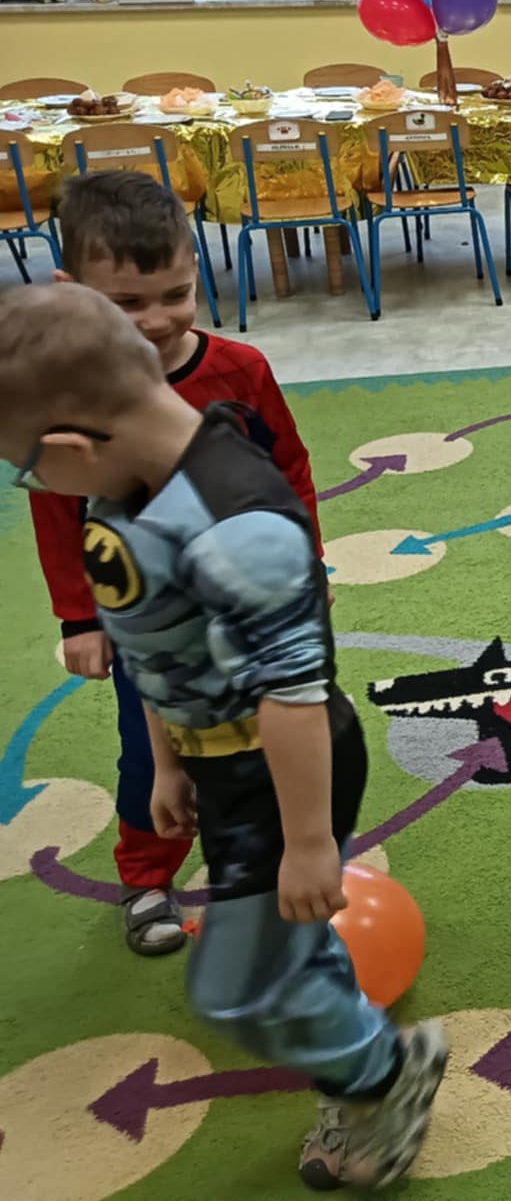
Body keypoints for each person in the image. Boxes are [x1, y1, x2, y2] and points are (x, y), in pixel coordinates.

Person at [0, 284, 447, 1189]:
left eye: (29, 472)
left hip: (281, 771)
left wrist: (310, 842)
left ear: (71, 446)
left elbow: (295, 694)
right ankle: (357, 1056)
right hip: (219, 759)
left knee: (233, 989)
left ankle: (385, 1074)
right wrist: (167, 762)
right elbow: (151, 644)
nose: (38, 488)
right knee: (291, 953)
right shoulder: (127, 490)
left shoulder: (239, 528)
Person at [27, 170, 321, 956]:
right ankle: (147, 876)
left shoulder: (241, 371)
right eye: (126, 303)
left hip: (252, 605)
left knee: (277, 737)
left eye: (176, 295)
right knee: (152, 755)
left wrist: (307, 568)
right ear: (72, 294)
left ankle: (276, 865)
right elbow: (56, 509)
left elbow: (288, 471)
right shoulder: (69, 392)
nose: (157, 321)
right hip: (147, 619)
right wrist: (81, 617)